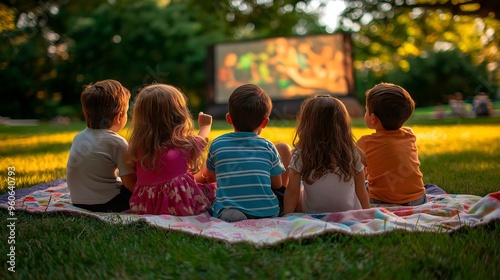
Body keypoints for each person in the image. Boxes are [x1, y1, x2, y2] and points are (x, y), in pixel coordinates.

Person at [205, 84, 290, 222]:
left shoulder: (217, 144)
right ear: (264, 123)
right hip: (267, 211)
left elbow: (210, 177)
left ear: (229, 119)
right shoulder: (268, 146)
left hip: (230, 207)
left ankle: (232, 212)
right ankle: (260, 208)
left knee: (220, 204)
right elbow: (277, 184)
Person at [127, 84, 216, 216]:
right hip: (180, 205)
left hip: (145, 206)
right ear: (178, 116)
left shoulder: (138, 149)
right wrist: (205, 125)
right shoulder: (184, 146)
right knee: (214, 185)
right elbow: (203, 140)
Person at [357, 82, 445, 206]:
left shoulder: (364, 143)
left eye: (366, 110)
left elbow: (356, 171)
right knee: (431, 187)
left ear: (373, 118)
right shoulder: (409, 135)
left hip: (381, 200)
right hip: (418, 200)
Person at [283, 95, 370, 214]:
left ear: (307, 125)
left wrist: (287, 215)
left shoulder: (300, 155)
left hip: (313, 211)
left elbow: (292, 191)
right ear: (343, 125)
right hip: (349, 210)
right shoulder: (352, 153)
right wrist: (368, 213)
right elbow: (361, 192)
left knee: (299, 190)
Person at [67, 79, 136, 212]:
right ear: (118, 117)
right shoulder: (117, 142)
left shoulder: (79, 137)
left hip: (78, 201)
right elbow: (130, 184)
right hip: (107, 203)